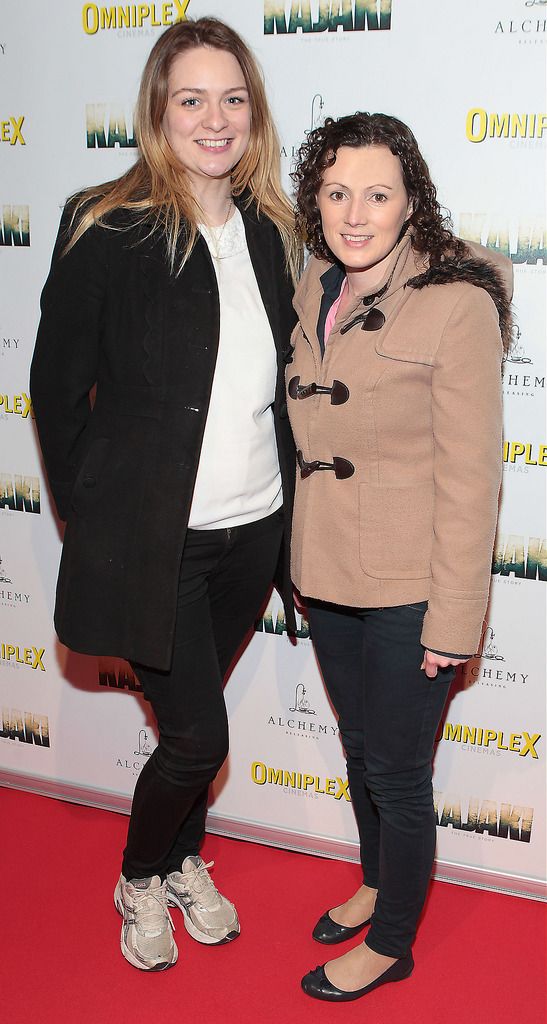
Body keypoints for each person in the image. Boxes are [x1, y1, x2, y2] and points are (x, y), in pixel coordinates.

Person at [30, 17, 300, 972]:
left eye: (233, 97)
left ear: (254, 113)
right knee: (197, 738)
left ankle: (184, 857)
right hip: (160, 543)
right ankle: (141, 876)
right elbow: (56, 392)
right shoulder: (105, 225)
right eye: (191, 98)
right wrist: (96, 519)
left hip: (255, 532)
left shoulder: (273, 230)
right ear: (157, 111)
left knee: (193, 731)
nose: (214, 118)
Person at [287, 112, 512, 1002]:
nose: (354, 213)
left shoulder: (457, 305)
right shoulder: (313, 279)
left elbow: (472, 479)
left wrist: (454, 620)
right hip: (328, 571)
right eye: (336, 192)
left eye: (377, 194)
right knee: (355, 744)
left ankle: (390, 941)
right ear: (315, 199)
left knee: (395, 768)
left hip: (411, 588)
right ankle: (378, 880)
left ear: (410, 200)